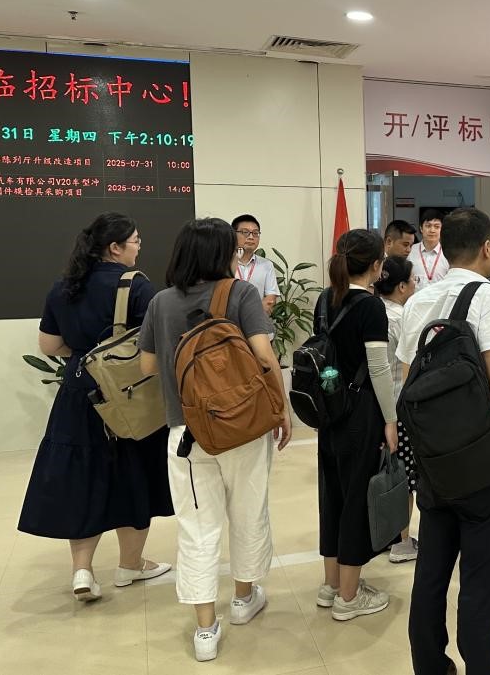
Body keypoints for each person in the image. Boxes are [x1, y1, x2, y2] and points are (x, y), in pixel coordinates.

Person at [398, 207, 490, 675]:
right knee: (482, 578)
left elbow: (408, 382)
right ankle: (481, 666)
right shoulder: (488, 295)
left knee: (431, 571)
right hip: (484, 464)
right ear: (488, 247)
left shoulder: (418, 300)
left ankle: (429, 664)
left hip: (434, 461)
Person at [138, 218, 291, 662]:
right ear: (224, 253)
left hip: (186, 433)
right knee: (248, 511)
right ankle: (243, 600)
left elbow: (147, 367)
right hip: (242, 426)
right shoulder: (240, 293)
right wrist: (281, 409)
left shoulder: (161, 302)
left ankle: (205, 630)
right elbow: (263, 354)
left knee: (197, 527)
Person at [19, 212, 173, 604]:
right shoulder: (136, 286)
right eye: (135, 240)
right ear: (115, 247)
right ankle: (130, 565)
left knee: (83, 477)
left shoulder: (64, 286)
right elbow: (157, 345)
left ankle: (82, 570)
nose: (139, 247)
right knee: (134, 474)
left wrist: (88, 356)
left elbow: (49, 345)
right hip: (128, 396)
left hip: (77, 393)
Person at [315, 228, 400, 620]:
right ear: (377, 265)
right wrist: (390, 419)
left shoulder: (324, 299)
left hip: (328, 407)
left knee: (332, 495)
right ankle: (349, 599)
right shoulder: (371, 306)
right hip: (361, 411)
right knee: (356, 500)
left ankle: (331, 585)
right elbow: (379, 368)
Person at [375, 255, 420, 564]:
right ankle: (402, 542)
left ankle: (383, 535)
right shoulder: (404, 319)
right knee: (403, 477)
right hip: (399, 407)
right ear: (402, 286)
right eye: (413, 280)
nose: (415, 284)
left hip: (375, 406)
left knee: (381, 473)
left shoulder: (373, 310)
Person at [231, 214, 281, 315]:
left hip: (257, 320)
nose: (251, 237)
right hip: (229, 321)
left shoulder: (266, 265)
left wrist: (251, 315)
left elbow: (271, 298)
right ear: (233, 235)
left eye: (255, 233)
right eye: (245, 232)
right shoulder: (224, 263)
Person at [411, 209, 450, 288]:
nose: (432, 230)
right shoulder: (411, 250)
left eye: (437, 227)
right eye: (428, 226)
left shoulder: (448, 253)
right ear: (421, 228)